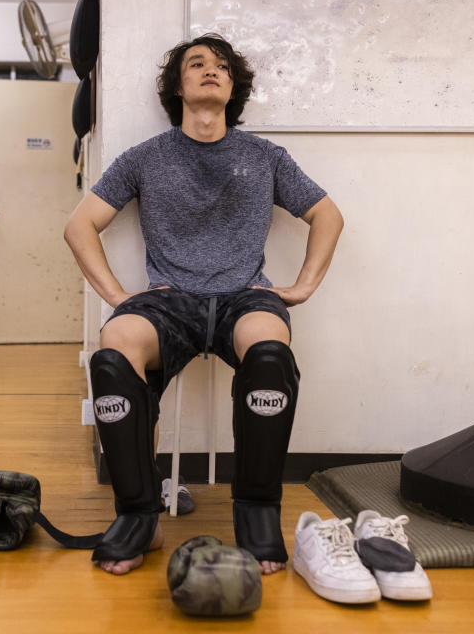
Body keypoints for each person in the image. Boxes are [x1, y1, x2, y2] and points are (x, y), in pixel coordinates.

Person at [63, 33, 344, 576]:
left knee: (269, 353)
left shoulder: (265, 156)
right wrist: (121, 298)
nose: (210, 71)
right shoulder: (146, 157)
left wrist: (303, 285)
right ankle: (139, 516)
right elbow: (80, 227)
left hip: (244, 296)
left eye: (221, 66)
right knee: (115, 349)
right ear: (178, 85)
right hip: (172, 302)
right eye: (196, 64)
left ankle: (258, 511)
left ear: (233, 86)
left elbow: (327, 215)